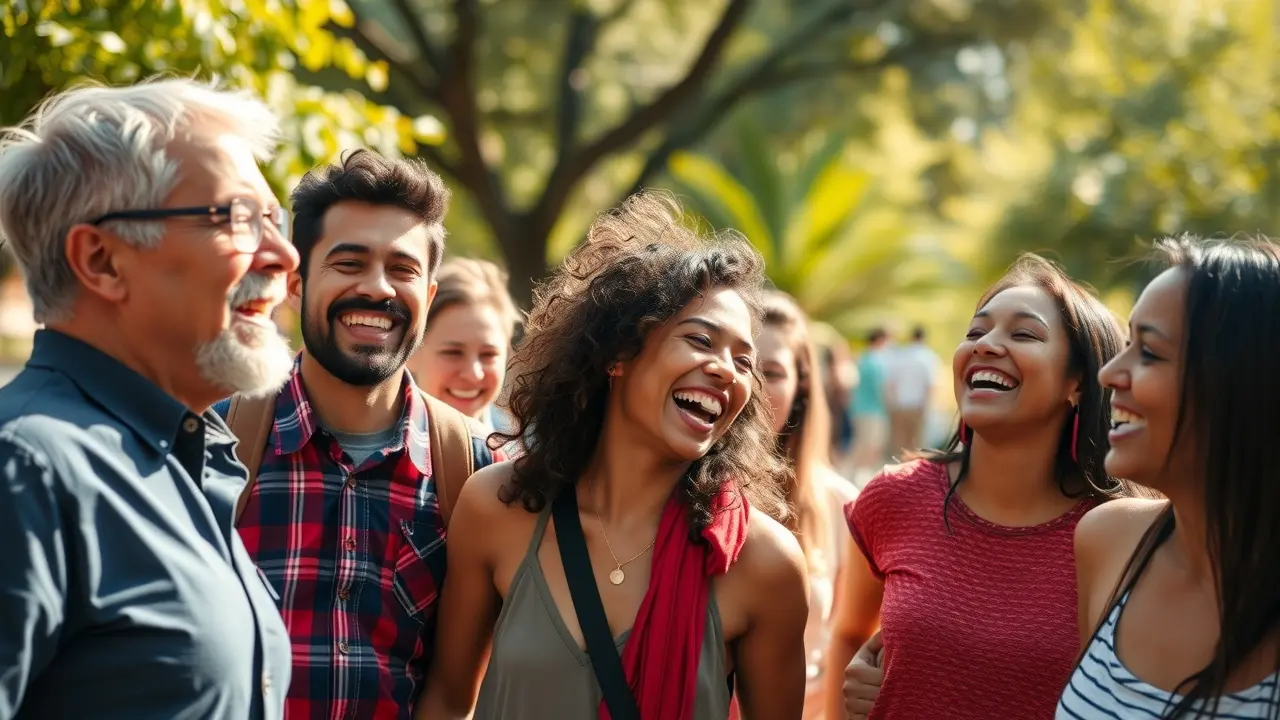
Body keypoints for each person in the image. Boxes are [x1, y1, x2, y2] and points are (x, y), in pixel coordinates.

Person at [418, 191, 810, 720]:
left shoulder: (764, 563)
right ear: (618, 354)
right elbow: (446, 701)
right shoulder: (497, 507)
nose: (726, 370)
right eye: (700, 340)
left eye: (744, 361)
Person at [0, 79, 293, 718]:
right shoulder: (26, 470)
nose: (284, 255)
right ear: (102, 260)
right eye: (241, 218)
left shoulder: (187, 457)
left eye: (274, 220)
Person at [215, 149, 500, 720]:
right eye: (349, 263)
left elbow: (454, 696)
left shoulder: (474, 470)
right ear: (295, 283)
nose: (378, 288)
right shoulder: (214, 443)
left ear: (429, 295)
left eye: (403, 269)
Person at [828, 254, 1132, 720]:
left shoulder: (1120, 534)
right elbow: (848, 634)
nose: (986, 345)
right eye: (975, 332)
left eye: (1023, 334)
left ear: (1078, 382)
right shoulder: (894, 497)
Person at [1059, 236, 1280, 718]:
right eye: (1126, 345)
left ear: (1245, 384)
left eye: (1150, 353)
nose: (1108, 374)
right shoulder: (1109, 541)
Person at [757, 291, 858, 719]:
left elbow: (851, 646)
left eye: (771, 372)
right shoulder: (672, 493)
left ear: (800, 387)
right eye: (741, 364)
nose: (751, 386)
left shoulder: (844, 507)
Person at [407, 257, 521, 431]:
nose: (473, 374)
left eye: (488, 354)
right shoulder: (377, 442)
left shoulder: (529, 444)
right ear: (411, 352)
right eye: (453, 352)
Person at [884, 326, 939, 458]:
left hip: (899, 405)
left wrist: (892, 403)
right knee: (916, 444)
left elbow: (890, 383)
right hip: (918, 405)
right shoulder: (928, 357)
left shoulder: (901, 355)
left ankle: (896, 467)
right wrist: (927, 405)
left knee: (899, 443)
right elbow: (930, 385)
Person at [846, 328, 890, 477]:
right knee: (871, 444)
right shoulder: (875, 361)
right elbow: (881, 388)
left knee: (862, 442)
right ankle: (858, 473)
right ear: (880, 340)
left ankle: (855, 472)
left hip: (860, 408)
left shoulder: (863, 358)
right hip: (873, 410)